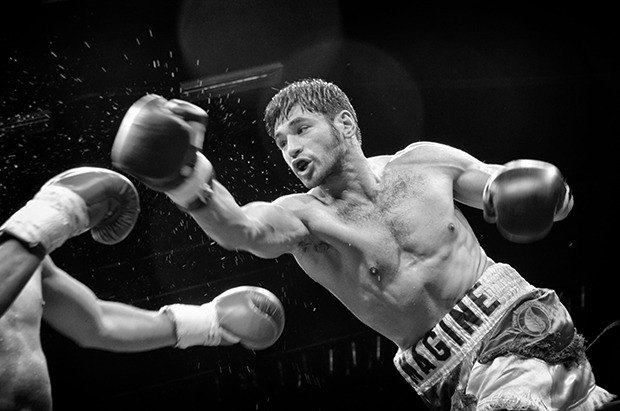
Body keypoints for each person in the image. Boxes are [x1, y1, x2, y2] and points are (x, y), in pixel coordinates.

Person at [110, 79, 616, 410]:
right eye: (283, 143)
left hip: (513, 328)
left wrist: (547, 196)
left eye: (302, 130)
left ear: (346, 125)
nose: (292, 150)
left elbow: (495, 185)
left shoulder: (423, 163)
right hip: (446, 376)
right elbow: (243, 229)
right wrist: (184, 179)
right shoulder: (306, 218)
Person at [0, 166, 285, 411]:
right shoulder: (21, 246)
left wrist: (206, 322)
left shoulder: (24, 257)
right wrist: (60, 210)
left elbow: (96, 323)